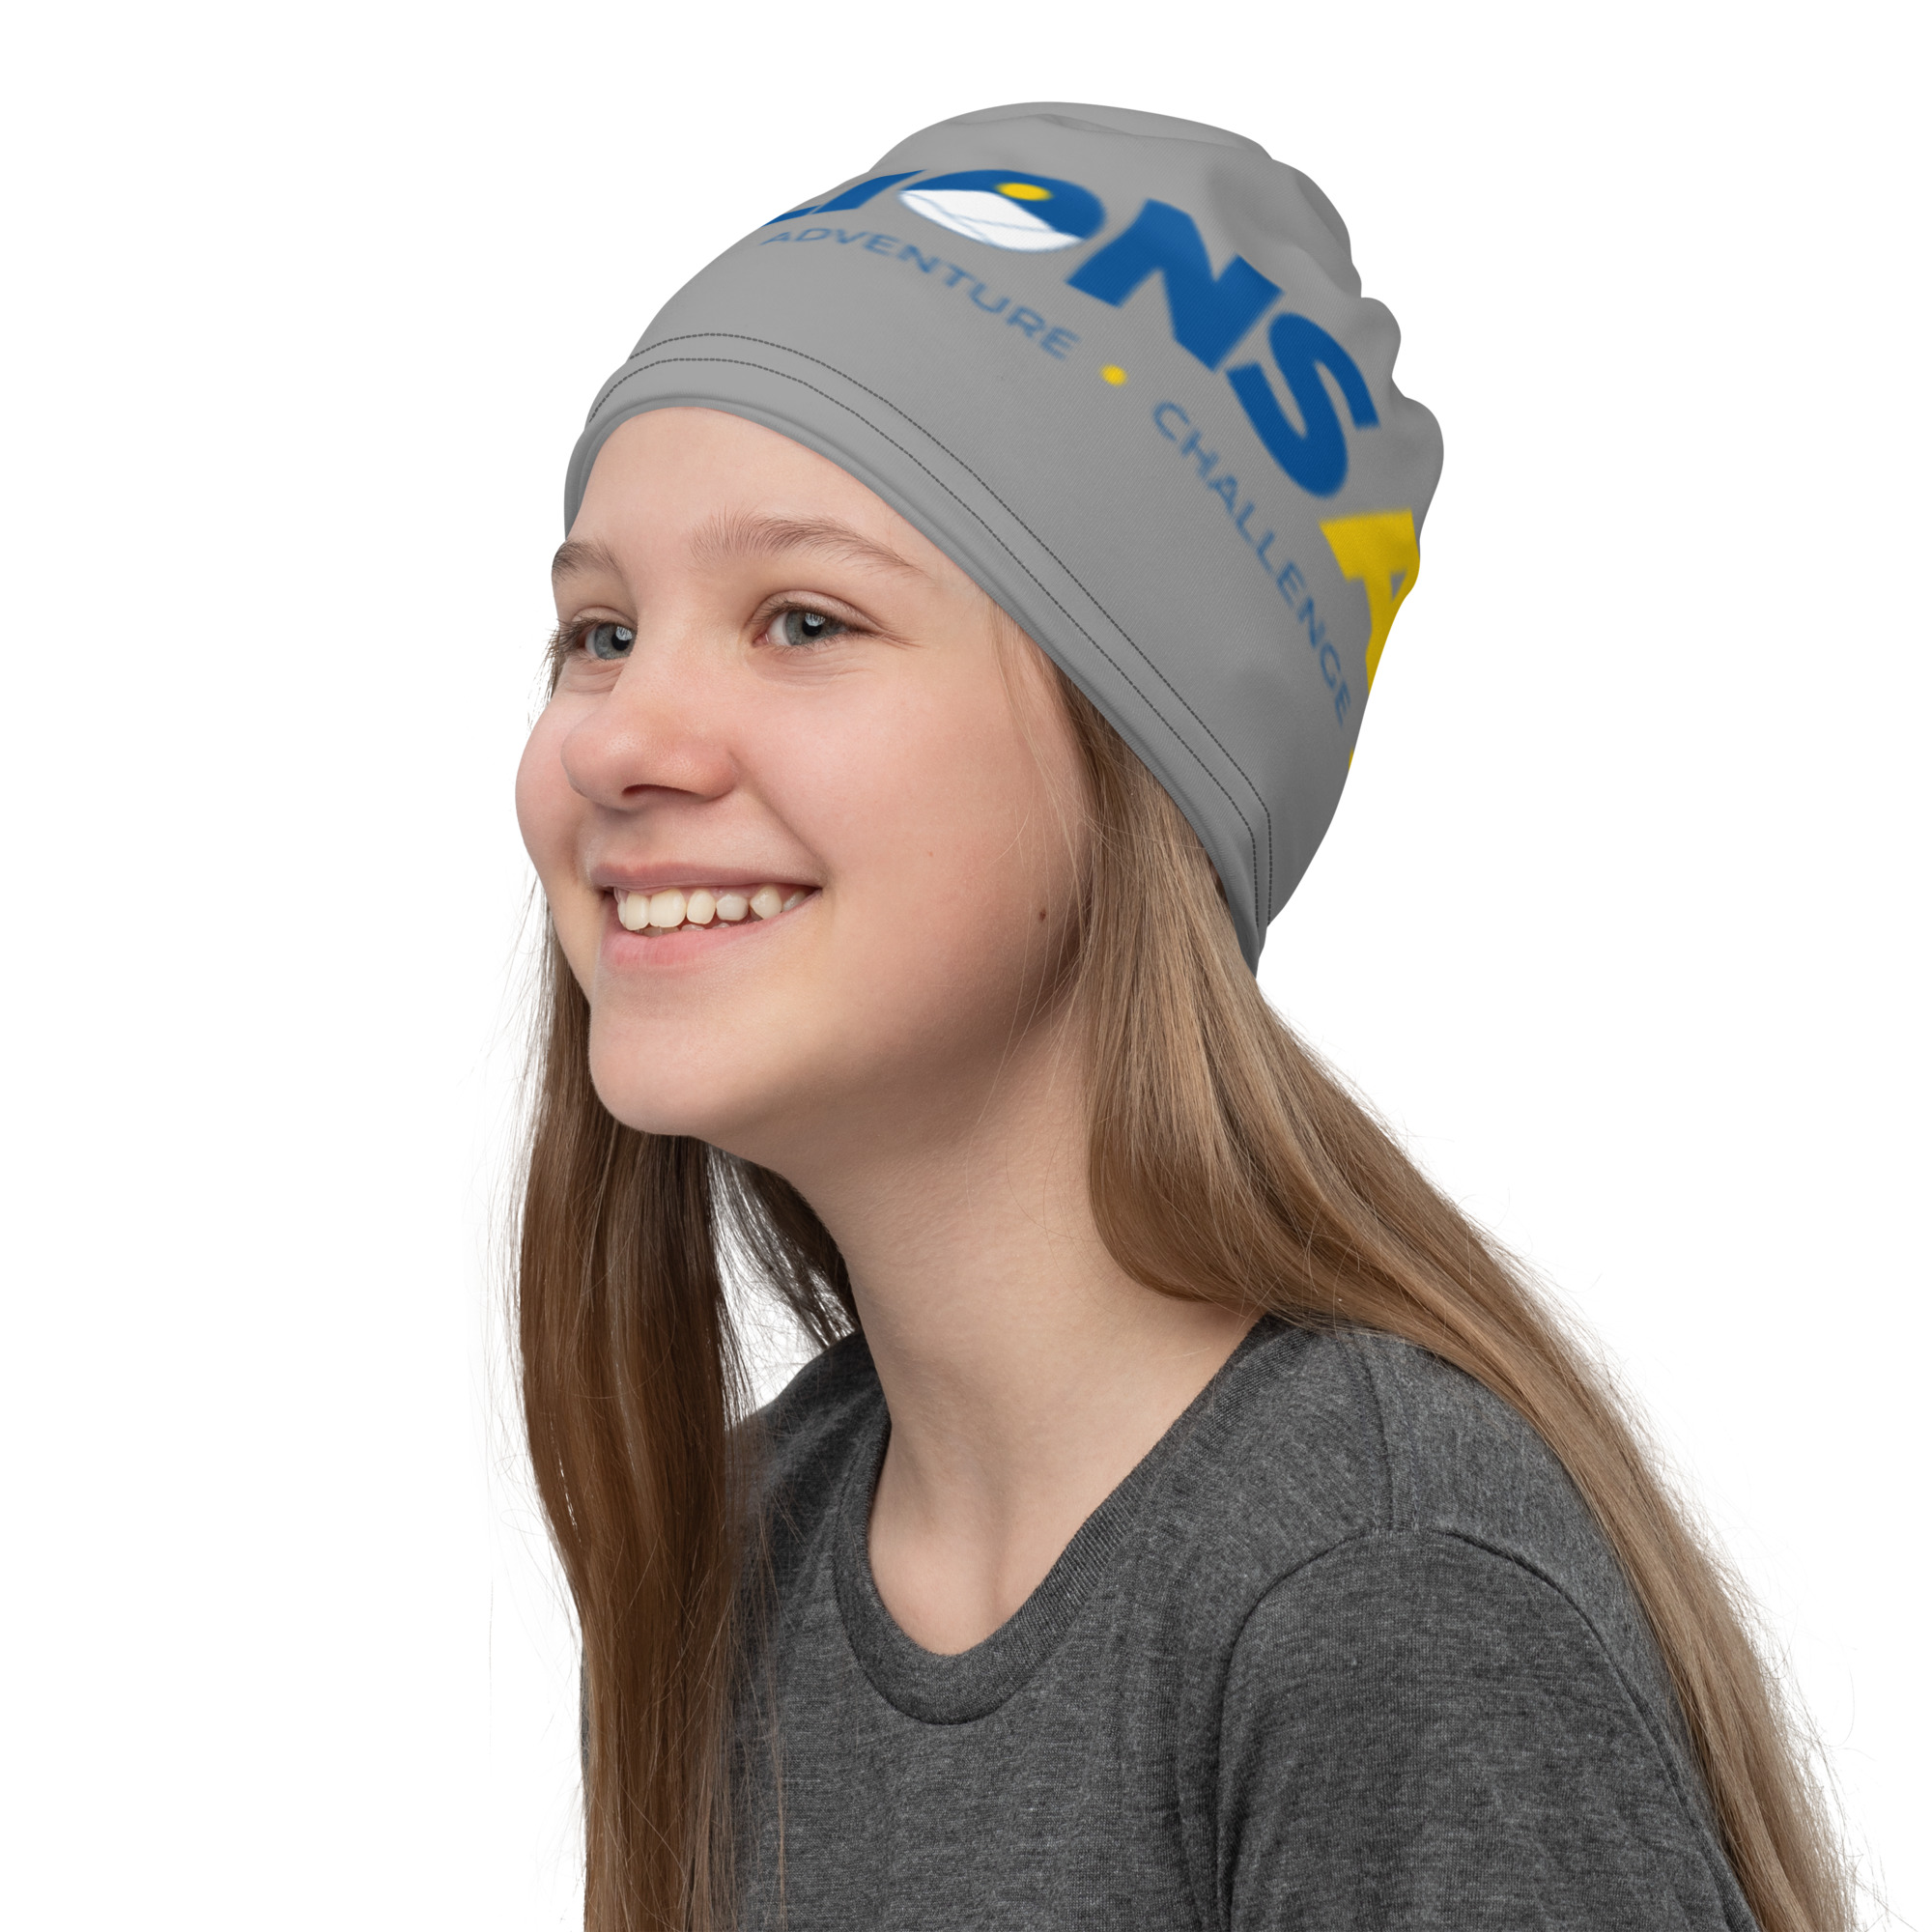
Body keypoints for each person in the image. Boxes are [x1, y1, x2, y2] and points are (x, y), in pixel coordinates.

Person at [513, 102, 1848, 1932]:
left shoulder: (1375, 1596)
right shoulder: (745, 1557)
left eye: (805, 621)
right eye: (598, 633)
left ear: (1138, 755)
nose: (620, 743)